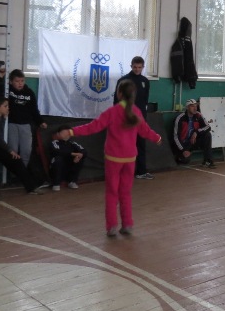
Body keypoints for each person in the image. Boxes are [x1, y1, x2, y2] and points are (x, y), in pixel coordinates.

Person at [69, 79, 162, 237]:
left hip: (114, 159)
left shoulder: (112, 112)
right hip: (130, 159)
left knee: (112, 193)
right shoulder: (137, 112)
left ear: (119, 94)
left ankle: (112, 226)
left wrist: (72, 131)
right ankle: (127, 224)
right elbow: (145, 131)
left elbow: (92, 127)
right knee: (125, 192)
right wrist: (157, 138)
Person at [0, 68, 47, 170]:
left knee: (26, 150)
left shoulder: (29, 92)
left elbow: (34, 109)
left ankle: (22, 172)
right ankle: (14, 172)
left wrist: (40, 121)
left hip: (26, 124)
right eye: (17, 81)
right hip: (11, 123)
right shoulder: (8, 90)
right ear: (11, 82)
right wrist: (0, 76)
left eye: (22, 81)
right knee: (13, 149)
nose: (20, 83)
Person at [0, 96, 43, 195]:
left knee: (16, 161)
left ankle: (30, 186)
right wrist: (10, 150)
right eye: (5, 106)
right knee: (15, 160)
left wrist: (4, 118)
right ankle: (30, 186)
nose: (8, 108)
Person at [114, 56, 154, 180]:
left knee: (141, 145)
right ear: (131, 66)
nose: (137, 69)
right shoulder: (123, 80)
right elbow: (116, 101)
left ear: (143, 67)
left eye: (139, 67)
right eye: (135, 67)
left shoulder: (145, 81)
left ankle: (141, 172)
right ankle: (120, 172)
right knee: (124, 145)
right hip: (126, 119)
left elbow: (145, 101)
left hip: (140, 120)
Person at [172, 98, 215, 168]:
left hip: (193, 142)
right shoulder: (180, 118)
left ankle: (208, 161)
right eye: (192, 106)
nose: (195, 108)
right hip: (183, 145)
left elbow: (208, 127)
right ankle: (179, 157)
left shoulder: (198, 115)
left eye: (196, 106)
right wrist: (183, 150)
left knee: (207, 135)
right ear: (187, 107)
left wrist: (196, 132)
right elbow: (175, 137)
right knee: (185, 160)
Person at [49, 124, 86, 191]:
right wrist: (73, 154)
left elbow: (83, 151)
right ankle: (56, 183)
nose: (66, 135)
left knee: (80, 158)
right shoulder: (54, 142)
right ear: (58, 134)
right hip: (57, 168)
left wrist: (78, 156)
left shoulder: (72, 143)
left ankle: (72, 181)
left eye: (68, 133)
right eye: (64, 133)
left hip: (69, 167)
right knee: (58, 159)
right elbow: (57, 152)